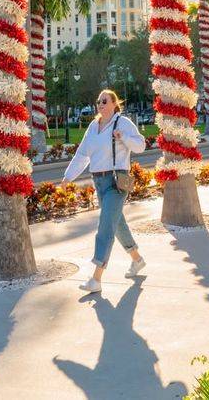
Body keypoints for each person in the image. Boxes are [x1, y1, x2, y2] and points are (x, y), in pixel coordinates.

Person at [63, 89, 147, 293]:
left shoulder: (123, 123)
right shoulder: (93, 126)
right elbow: (82, 154)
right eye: (98, 101)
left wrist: (123, 137)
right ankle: (137, 259)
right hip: (99, 181)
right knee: (117, 224)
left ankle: (96, 278)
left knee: (105, 227)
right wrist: (68, 176)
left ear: (113, 104)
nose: (100, 104)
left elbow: (141, 146)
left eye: (104, 101)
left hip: (116, 182)